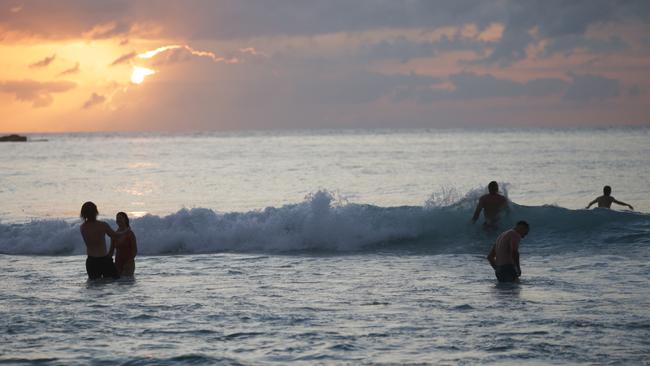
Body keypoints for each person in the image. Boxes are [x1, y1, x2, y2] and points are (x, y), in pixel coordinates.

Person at [80, 201, 121, 280]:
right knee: (115, 282)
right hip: (104, 260)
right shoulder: (102, 225)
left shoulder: (82, 227)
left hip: (91, 261)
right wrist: (126, 231)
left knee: (94, 287)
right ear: (96, 212)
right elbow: (115, 235)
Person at [108, 212, 138, 277]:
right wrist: (107, 262)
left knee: (127, 283)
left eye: (120, 218)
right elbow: (111, 251)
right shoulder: (114, 234)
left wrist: (129, 262)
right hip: (117, 263)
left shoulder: (130, 234)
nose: (118, 220)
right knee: (119, 285)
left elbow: (135, 250)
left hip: (128, 263)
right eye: (117, 218)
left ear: (125, 220)